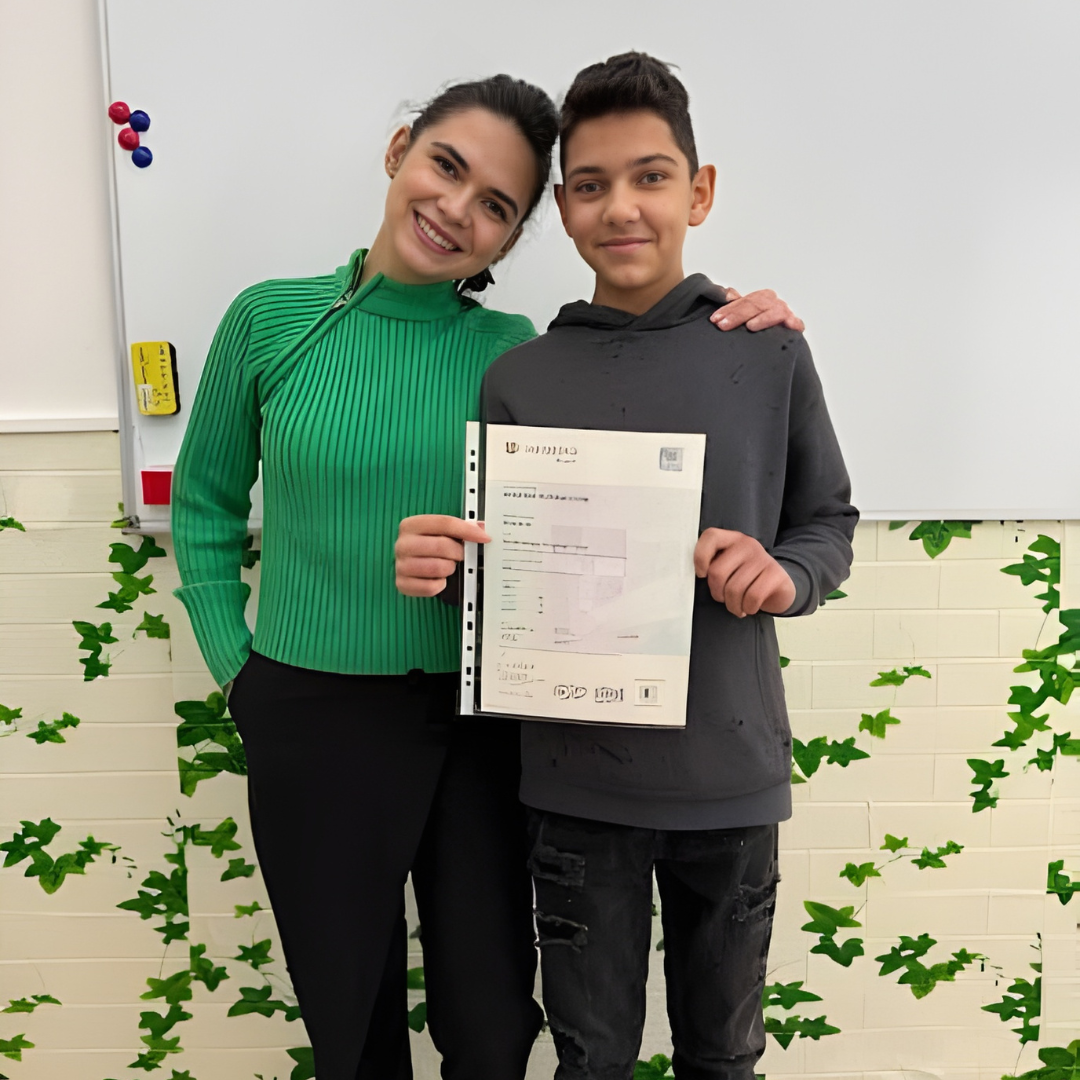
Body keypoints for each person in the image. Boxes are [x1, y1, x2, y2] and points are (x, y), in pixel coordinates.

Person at [174, 72, 804, 1080]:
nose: (457, 209)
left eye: (497, 205)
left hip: (484, 722)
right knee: (348, 1016)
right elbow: (204, 505)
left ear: (515, 235)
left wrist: (728, 314)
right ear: (399, 153)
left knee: (494, 1024)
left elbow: (642, 392)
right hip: (311, 710)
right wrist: (239, 672)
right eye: (445, 166)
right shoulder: (270, 320)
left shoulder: (521, 355)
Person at [396, 54, 857, 1079]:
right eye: (592, 185)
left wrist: (784, 577)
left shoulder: (768, 351)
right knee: (591, 1058)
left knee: (723, 1057)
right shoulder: (519, 378)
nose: (622, 208)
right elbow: (510, 580)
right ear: (563, 206)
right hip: (575, 790)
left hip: (730, 781)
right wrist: (450, 570)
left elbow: (827, 522)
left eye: (651, 177)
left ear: (699, 190)